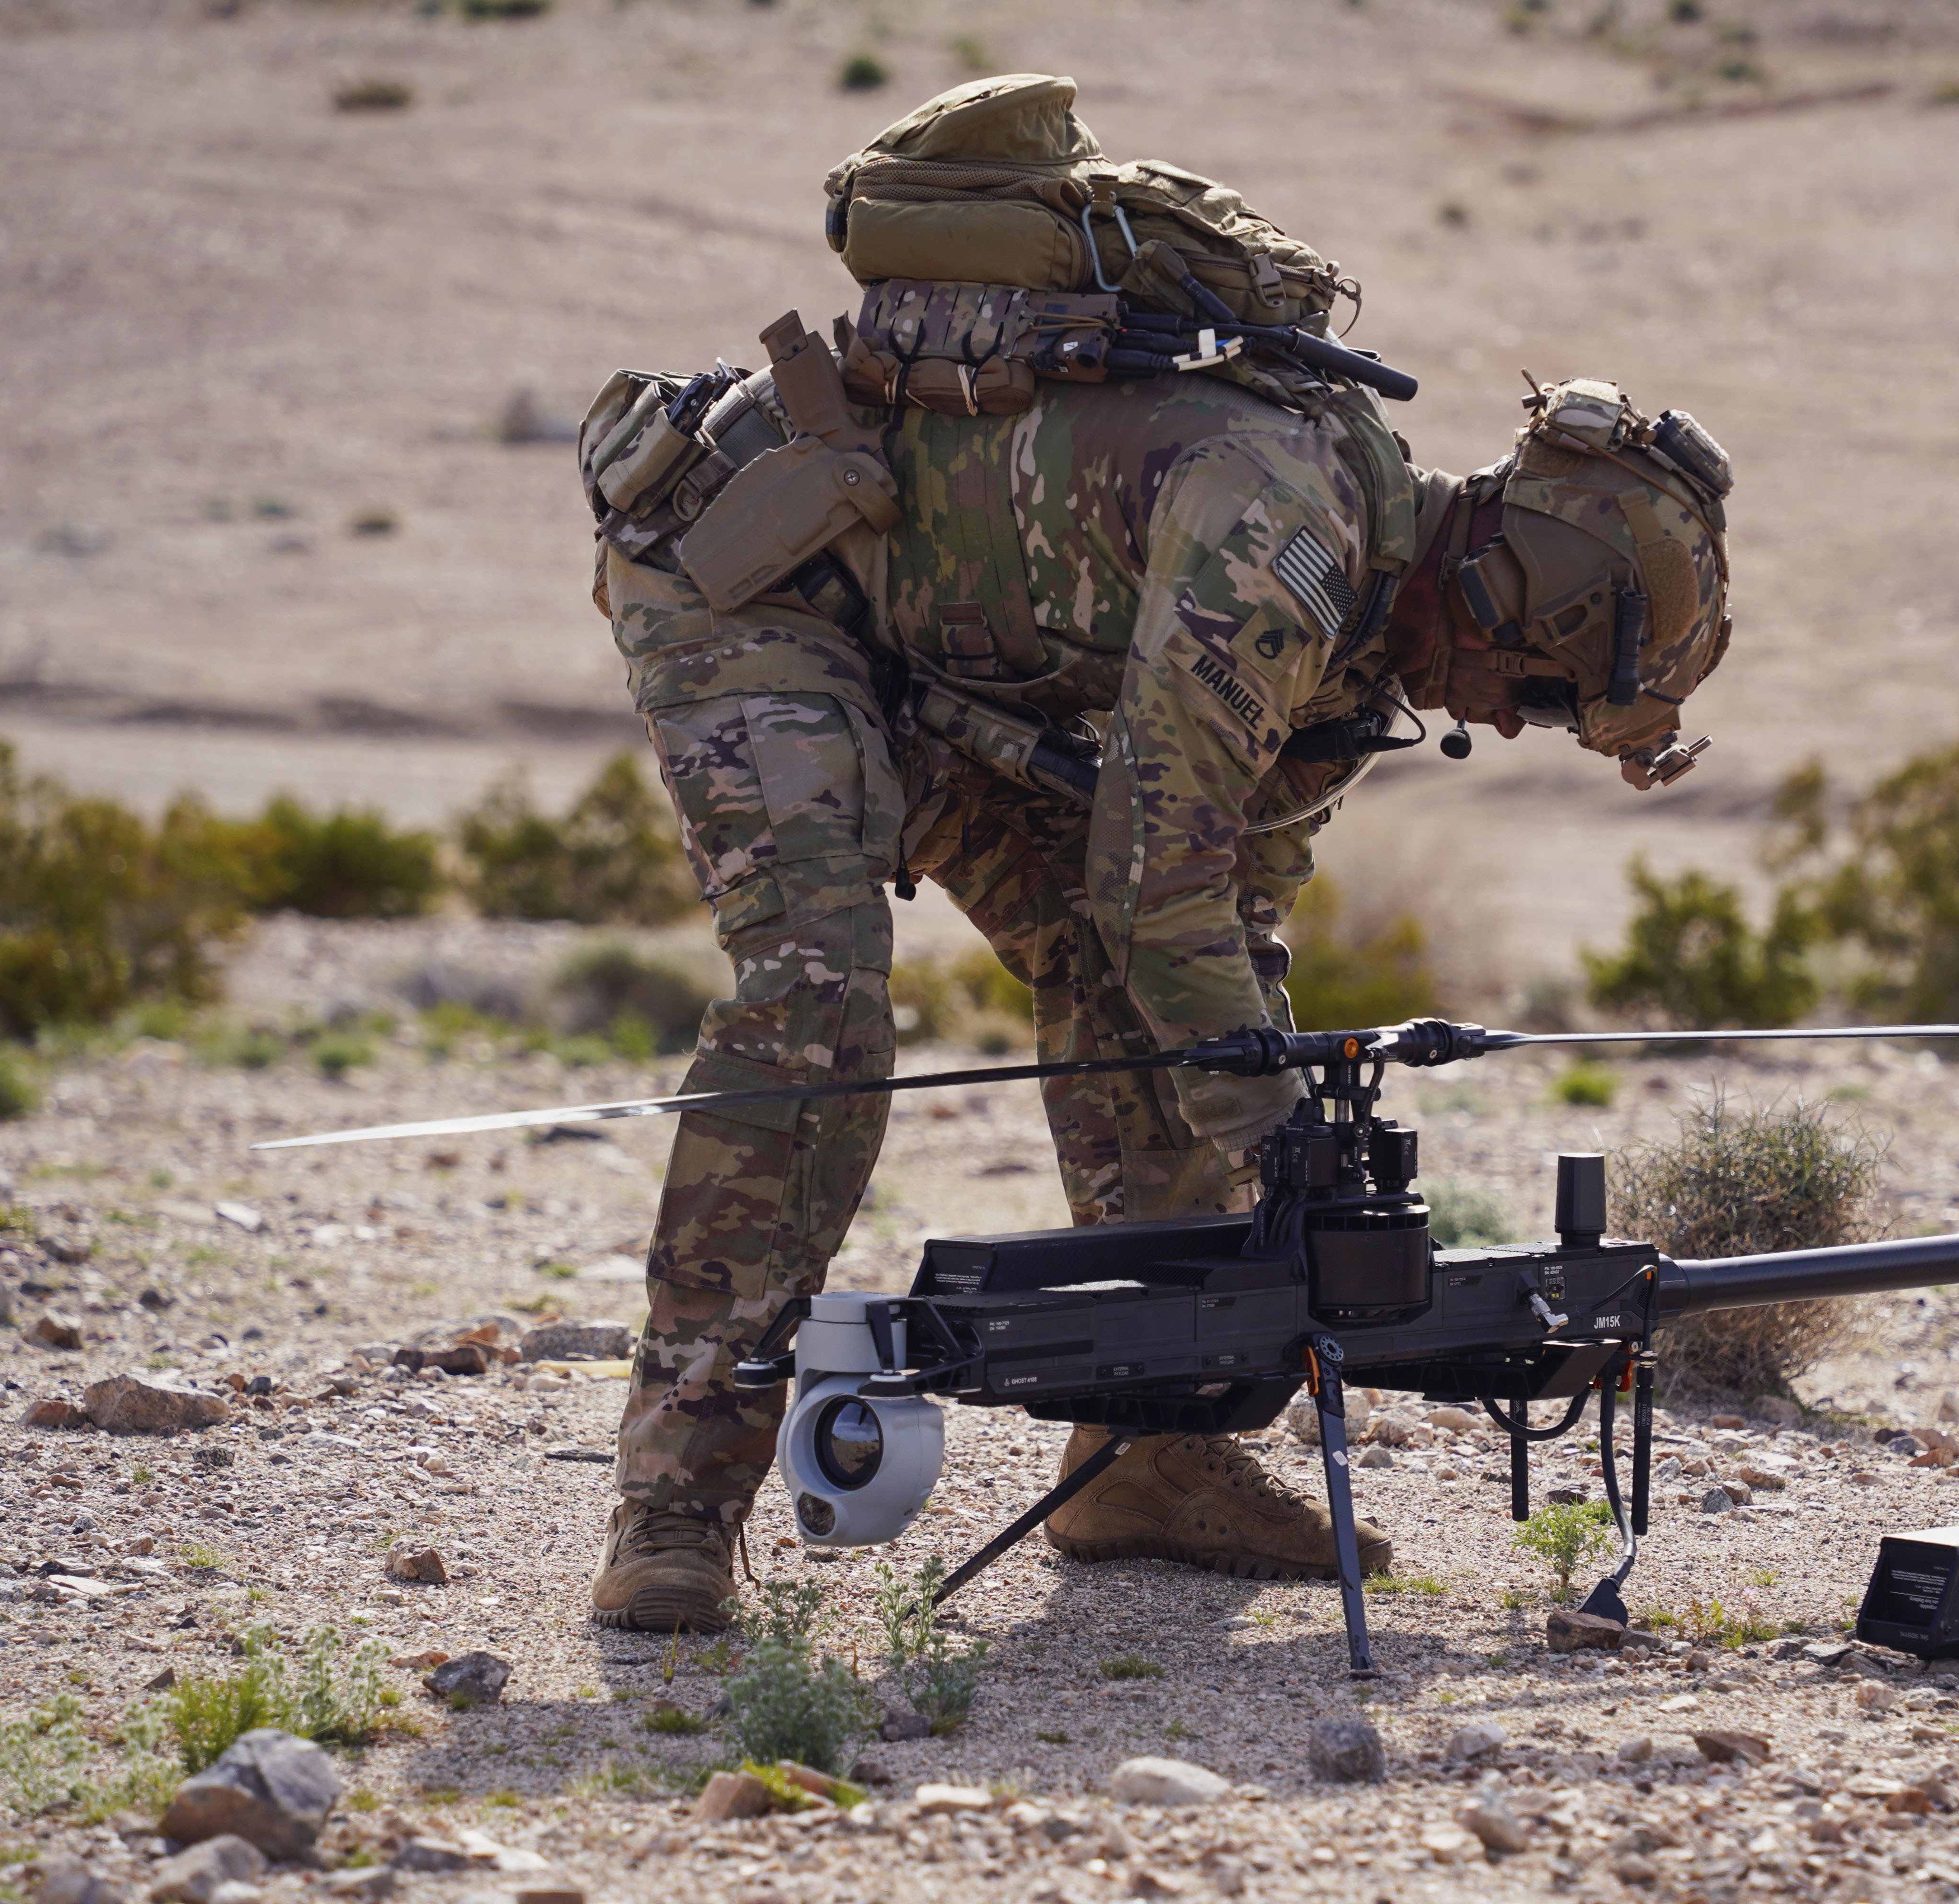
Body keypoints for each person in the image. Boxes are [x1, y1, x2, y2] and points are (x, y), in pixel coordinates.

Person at [575, 224, 1736, 1644]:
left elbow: (1221, 917)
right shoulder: (1287, 543)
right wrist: (1274, 1135)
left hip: (953, 670)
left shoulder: (1360, 659)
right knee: (816, 1007)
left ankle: (1153, 1453)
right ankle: (677, 1507)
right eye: (1540, 689)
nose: (1505, 722)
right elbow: (1153, 877)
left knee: (1172, 1011)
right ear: (1515, 590)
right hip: (756, 583)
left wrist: (1290, 1152)